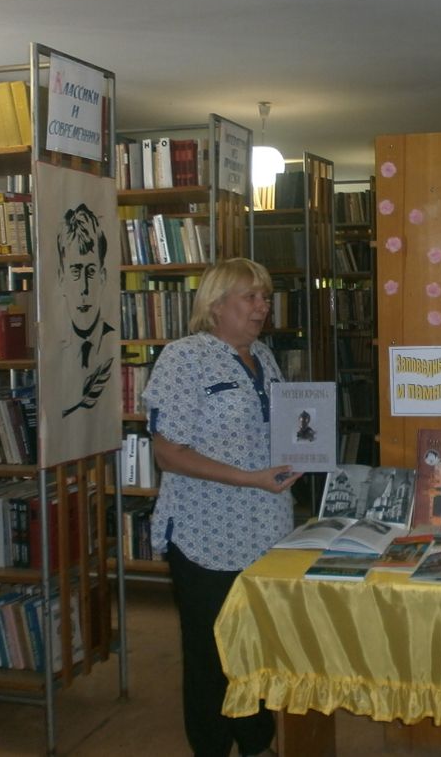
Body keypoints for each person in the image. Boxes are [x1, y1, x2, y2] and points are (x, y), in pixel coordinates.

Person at [144, 257, 300, 757]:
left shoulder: (265, 357)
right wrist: (248, 478)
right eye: (250, 296)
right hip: (205, 532)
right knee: (211, 651)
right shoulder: (183, 359)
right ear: (215, 305)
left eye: (266, 296)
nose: (262, 306)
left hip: (266, 530)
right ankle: (211, 747)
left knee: (258, 642)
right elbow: (168, 453)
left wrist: (300, 457)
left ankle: (256, 740)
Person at [57, 203, 115, 417]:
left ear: (103, 276)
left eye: (90, 271)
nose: (84, 288)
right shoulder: (53, 350)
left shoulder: (114, 343)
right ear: (61, 278)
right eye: (75, 271)